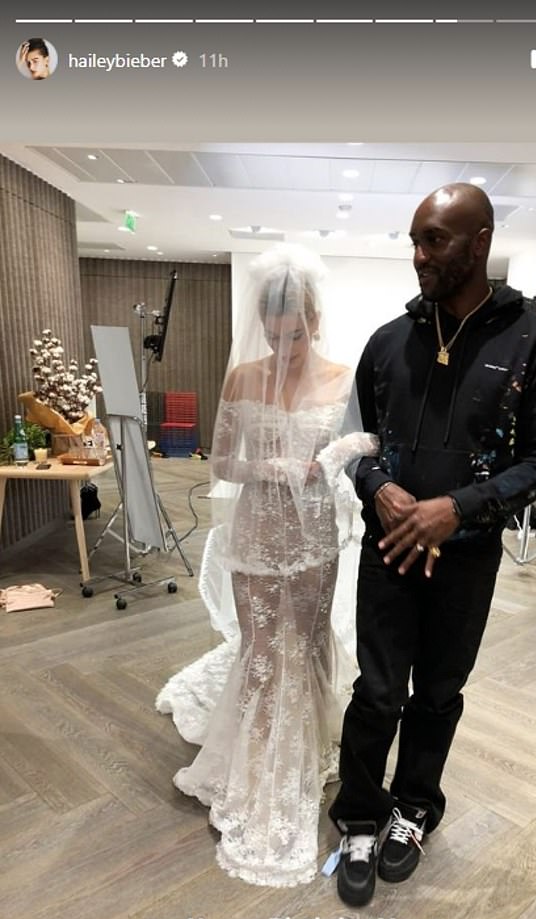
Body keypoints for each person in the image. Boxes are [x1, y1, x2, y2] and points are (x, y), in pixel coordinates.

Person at [329, 182, 536, 907]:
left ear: (480, 242)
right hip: (388, 550)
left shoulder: (533, 343)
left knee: (438, 693)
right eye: (414, 240)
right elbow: (355, 444)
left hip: (467, 558)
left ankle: (414, 808)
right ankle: (359, 815)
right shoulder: (387, 342)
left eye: (434, 240)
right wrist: (377, 485)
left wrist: (459, 508)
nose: (419, 255)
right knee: (377, 692)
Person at [157, 245, 377, 886]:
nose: (284, 349)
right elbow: (221, 460)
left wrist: (333, 454)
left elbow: (369, 442)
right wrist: (267, 466)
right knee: (259, 650)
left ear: (315, 320)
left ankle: (302, 748)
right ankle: (257, 759)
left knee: (302, 644)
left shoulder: (343, 377)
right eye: (275, 337)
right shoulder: (242, 377)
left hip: (313, 535)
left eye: (296, 336)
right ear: (261, 326)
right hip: (255, 531)